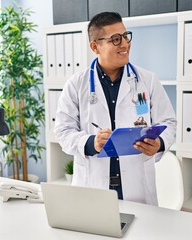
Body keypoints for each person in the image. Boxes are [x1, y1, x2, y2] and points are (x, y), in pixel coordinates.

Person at [54, 12, 177, 205]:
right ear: (95, 47)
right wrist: (90, 142)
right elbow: (62, 131)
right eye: (116, 39)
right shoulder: (76, 84)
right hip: (93, 188)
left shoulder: (148, 80)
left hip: (138, 187)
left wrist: (159, 143)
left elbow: (169, 122)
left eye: (126, 36)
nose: (125, 44)